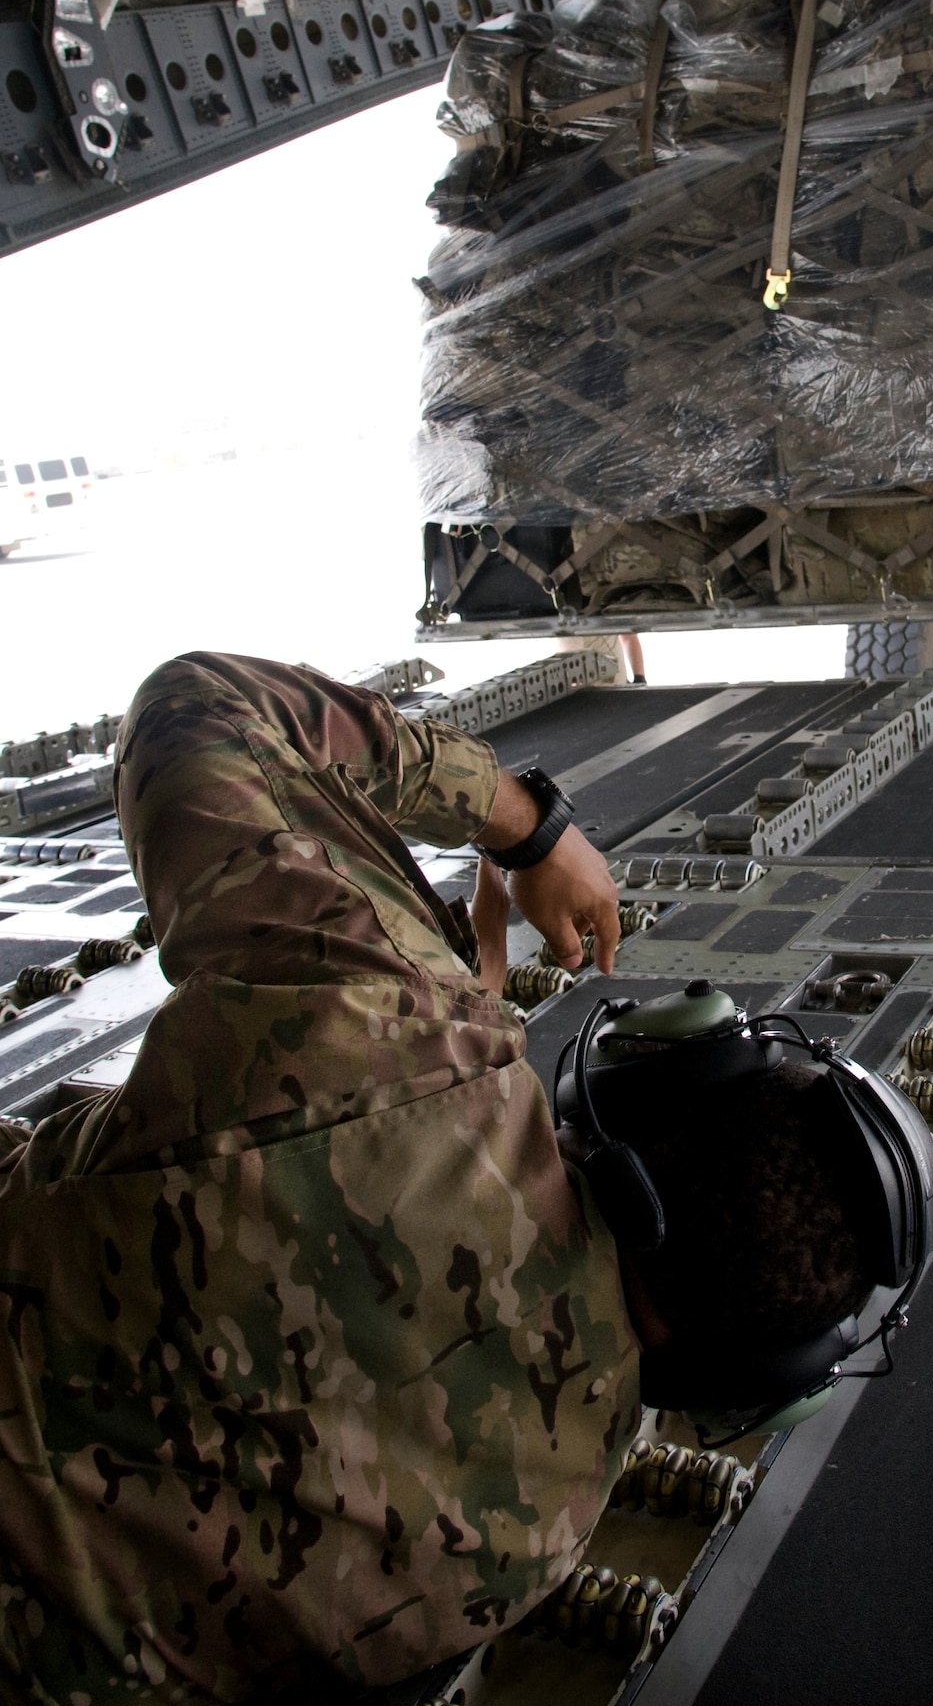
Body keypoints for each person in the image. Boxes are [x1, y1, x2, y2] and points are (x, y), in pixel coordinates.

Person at [0, 653, 884, 1702]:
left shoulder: (397, 1029)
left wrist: (525, 829)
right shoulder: (532, 1546)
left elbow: (193, 712)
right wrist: (449, 1016)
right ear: (742, 1378)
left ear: (652, 1085)